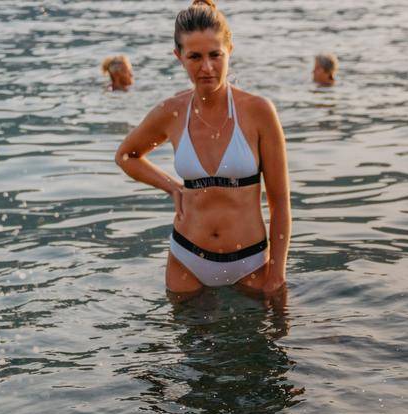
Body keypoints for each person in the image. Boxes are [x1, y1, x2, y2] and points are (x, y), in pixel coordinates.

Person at [115, 0, 290, 298]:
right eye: (194, 56)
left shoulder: (259, 112)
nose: (206, 67)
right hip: (187, 259)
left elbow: (280, 205)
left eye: (215, 55)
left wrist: (277, 274)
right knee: (186, 344)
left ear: (229, 51)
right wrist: (172, 187)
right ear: (179, 56)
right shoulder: (171, 111)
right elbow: (126, 156)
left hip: (250, 261)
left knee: (261, 344)